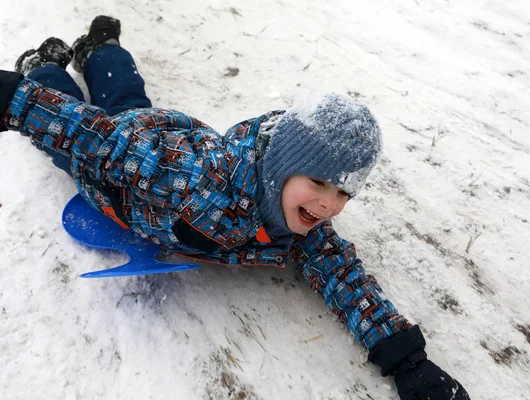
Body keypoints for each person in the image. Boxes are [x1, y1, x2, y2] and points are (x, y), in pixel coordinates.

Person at [0, 16, 470, 399]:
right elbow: (94, 136)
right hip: (122, 169)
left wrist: (406, 358)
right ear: (282, 167)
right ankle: (46, 63)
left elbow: (340, 275)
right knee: (76, 131)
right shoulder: (191, 182)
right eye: (319, 182)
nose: (330, 204)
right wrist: (17, 100)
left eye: (345, 192)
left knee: (127, 99)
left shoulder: (299, 225)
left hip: (159, 133)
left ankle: (99, 48)